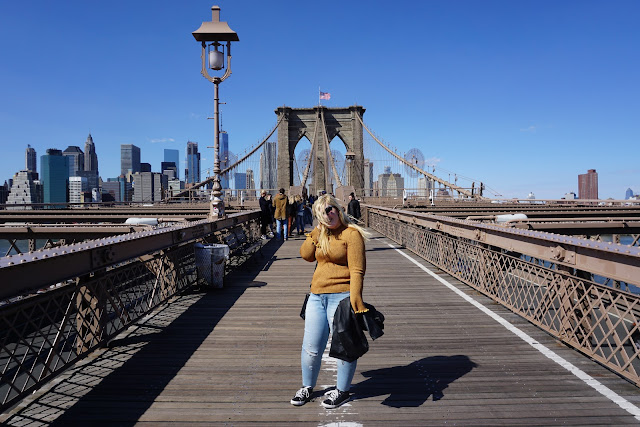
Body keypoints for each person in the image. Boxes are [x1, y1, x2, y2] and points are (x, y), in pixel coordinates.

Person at [291, 194, 370, 409]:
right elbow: (306, 255)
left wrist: (356, 299)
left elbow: (357, 270)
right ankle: (307, 387)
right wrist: (317, 230)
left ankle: (342, 391)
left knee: (345, 346)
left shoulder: (351, 234)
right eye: (323, 212)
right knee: (311, 346)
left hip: (342, 297)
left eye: (330, 209)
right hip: (316, 296)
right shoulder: (321, 234)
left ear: (338, 209)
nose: (328, 214)